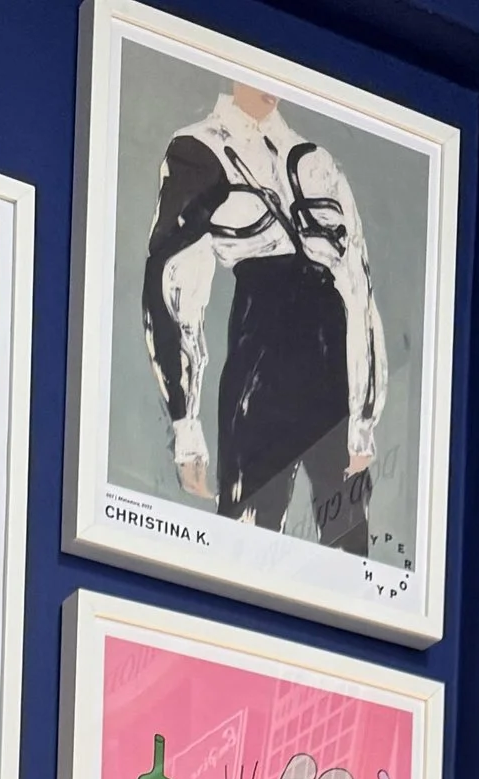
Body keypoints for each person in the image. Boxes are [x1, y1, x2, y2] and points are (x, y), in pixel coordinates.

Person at [139, 77, 383, 548]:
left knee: (351, 543)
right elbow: (173, 289)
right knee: (248, 540)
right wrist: (185, 425)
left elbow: (358, 288)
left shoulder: (318, 162)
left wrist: (363, 417)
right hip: (261, 367)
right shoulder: (199, 149)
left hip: (333, 373)